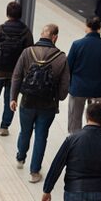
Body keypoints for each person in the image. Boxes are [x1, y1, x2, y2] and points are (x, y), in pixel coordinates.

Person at [10, 24, 69, 183]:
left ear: (42, 34)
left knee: (25, 131)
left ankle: (20, 158)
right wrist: (59, 97)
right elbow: (64, 88)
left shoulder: (27, 52)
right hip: (48, 105)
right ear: (55, 37)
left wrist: (13, 98)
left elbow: (16, 76)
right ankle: (34, 172)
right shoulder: (61, 57)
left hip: (27, 101)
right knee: (41, 136)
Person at [0, 2, 34, 136]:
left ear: (7, 13)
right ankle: (4, 127)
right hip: (15, 74)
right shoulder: (26, 32)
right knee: (10, 100)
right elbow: (29, 54)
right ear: (20, 14)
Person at [65, 17, 101, 133]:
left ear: (87, 27)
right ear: (99, 29)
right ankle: (93, 135)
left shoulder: (77, 45)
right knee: (95, 118)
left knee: (75, 118)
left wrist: (67, 86)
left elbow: (68, 67)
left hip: (78, 88)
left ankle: (75, 138)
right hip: (97, 90)